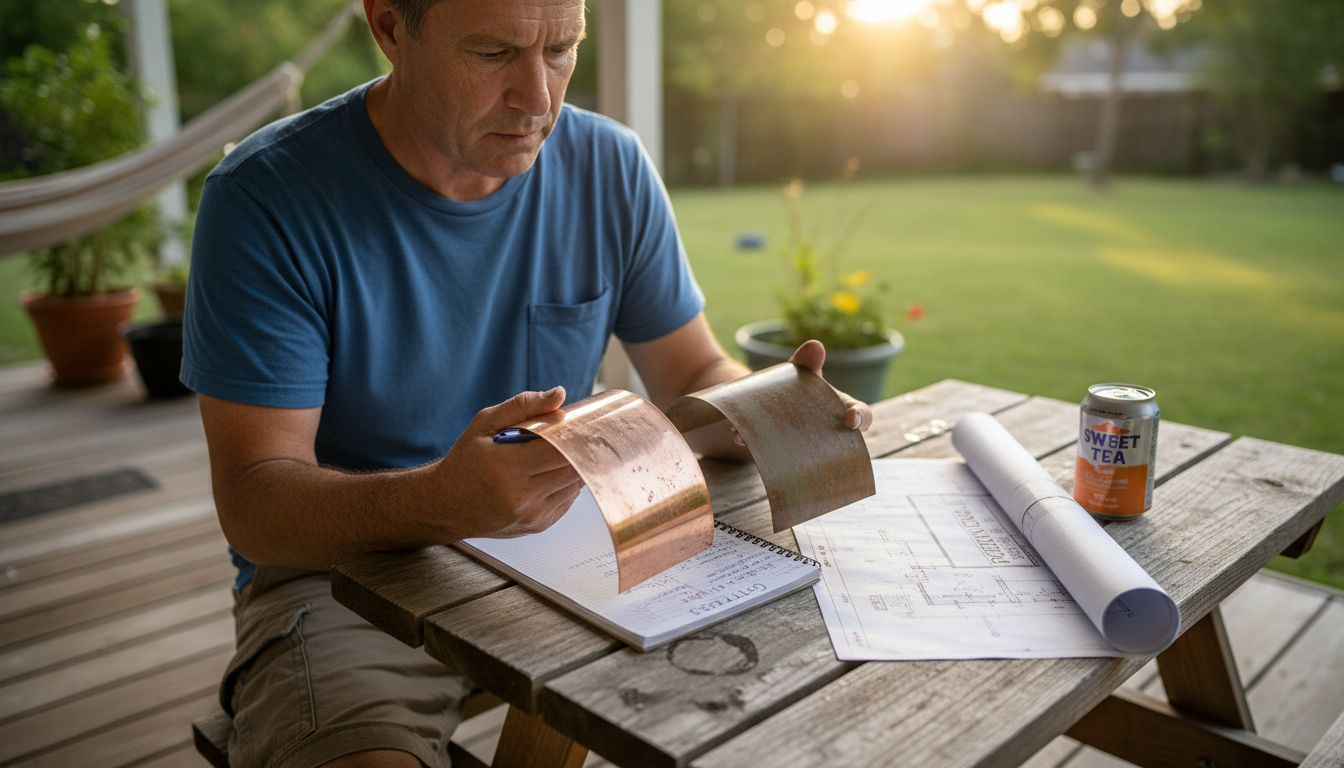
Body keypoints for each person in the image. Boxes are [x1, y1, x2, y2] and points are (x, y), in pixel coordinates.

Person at [182, 0, 872, 766]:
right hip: (342, 580)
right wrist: (438, 502)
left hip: (572, 550)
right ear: (388, 28)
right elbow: (254, 502)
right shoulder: (268, 196)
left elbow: (693, 373)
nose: (538, 99)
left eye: (561, 51)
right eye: (493, 54)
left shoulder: (609, 166)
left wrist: (767, 408)